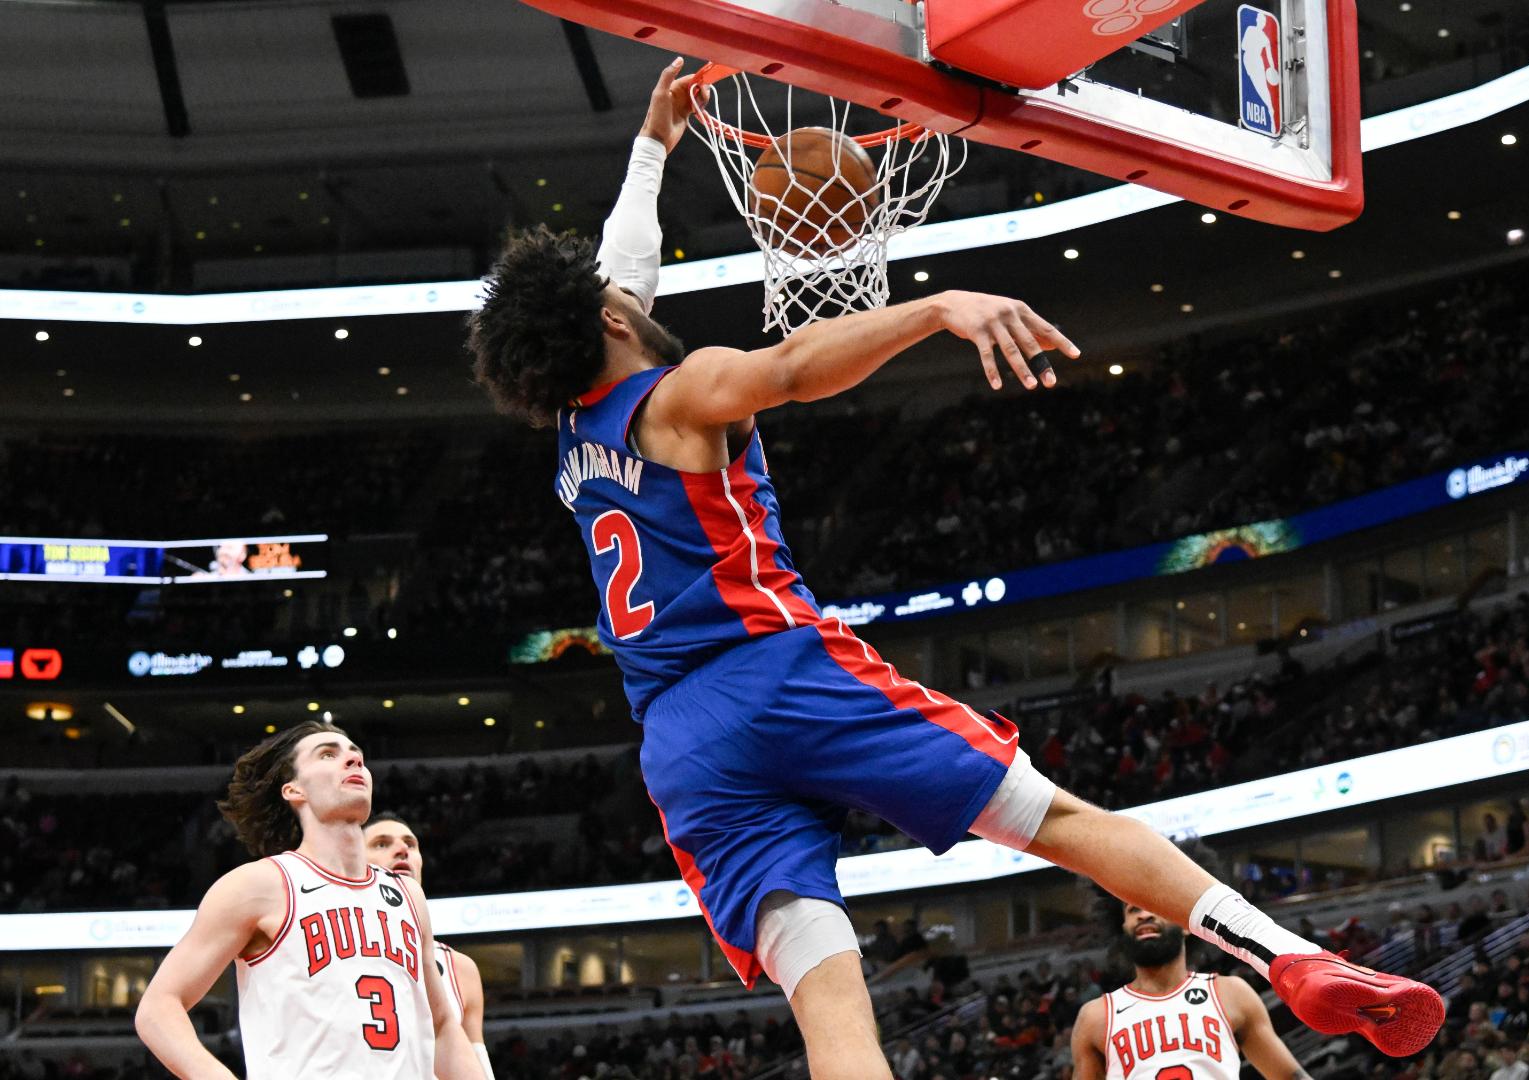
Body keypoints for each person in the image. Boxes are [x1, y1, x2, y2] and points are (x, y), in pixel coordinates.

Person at [465, 58, 1444, 1079]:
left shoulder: (579, 433)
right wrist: (935, 310)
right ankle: (1291, 959)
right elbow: (793, 367)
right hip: (773, 673)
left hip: (679, 747)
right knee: (1056, 822)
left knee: (832, 1006)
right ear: (612, 321)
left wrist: (655, 146)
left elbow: (623, 269)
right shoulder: (683, 392)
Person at [133, 722, 484, 1080]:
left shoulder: (408, 896)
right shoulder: (260, 885)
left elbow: (442, 1028)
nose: (352, 760)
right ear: (293, 789)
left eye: (356, 756)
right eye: (329, 754)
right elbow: (158, 1008)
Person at [1070, 893, 1306, 1079]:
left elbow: (1289, 1076)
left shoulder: (1231, 993)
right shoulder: (1096, 1016)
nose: (1143, 915)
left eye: (1152, 905)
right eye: (1133, 910)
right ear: (1122, 929)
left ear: (1185, 923)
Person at [364, 812, 491, 1079]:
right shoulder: (333, 944)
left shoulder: (460, 968)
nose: (401, 850)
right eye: (382, 844)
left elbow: (477, 1064)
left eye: (410, 844)